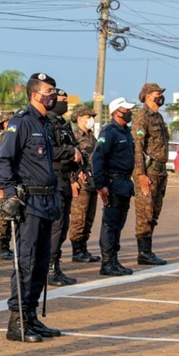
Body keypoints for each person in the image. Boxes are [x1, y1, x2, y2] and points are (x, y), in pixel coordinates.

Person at [0, 72, 63, 342]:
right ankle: (17, 320)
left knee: (41, 261)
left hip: (47, 200)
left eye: (54, 90)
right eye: (48, 90)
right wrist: (10, 194)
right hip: (29, 202)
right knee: (27, 260)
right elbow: (3, 161)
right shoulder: (21, 122)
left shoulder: (46, 123)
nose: (53, 95)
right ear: (35, 94)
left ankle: (31, 315)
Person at [92, 97, 137, 276]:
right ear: (116, 111)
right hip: (113, 183)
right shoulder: (109, 131)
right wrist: (100, 185)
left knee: (118, 224)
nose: (129, 112)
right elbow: (97, 158)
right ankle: (107, 262)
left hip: (125, 183)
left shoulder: (126, 132)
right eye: (126, 109)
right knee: (110, 224)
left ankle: (114, 260)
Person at [46, 89, 83, 286]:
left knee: (62, 227)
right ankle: (49, 268)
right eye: (61, 100)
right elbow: (47, 150)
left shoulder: (64, 124)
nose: (64, 103)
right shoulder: (48, 123)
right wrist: (70, 151)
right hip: (53, 179)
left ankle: (56, 265)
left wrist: (79, 169)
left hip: (66, 179)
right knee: (56, 225)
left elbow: (77, 148)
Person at [132, 82, 170, 266]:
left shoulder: (158, 117)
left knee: (154, 212)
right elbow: (137, 147)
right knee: (145, 212)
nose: (160, 96)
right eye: (157, 93)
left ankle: (148, 251)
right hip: (148, 171)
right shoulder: (142, 116)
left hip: (160, 171)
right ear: (148, 96)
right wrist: (140, 174)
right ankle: (143, 253)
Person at [68, 105, 100, 263]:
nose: (91, 120)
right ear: (79, 118)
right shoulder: (74, 136)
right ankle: (76, 250)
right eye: (88, 117)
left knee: (89, 217)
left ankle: (84, 248)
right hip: (80, 183)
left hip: (92, 182)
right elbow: (69, 160)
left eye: (92, 117)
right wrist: (72, 180)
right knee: (79, 218)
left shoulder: (91, 137)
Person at [0, 115, 14, 261]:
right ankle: (2, 247)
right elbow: (0, 163)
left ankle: (7, 246)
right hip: (2, 181)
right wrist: (0, 183)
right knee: (3, 213)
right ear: (5, 123)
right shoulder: (2, 139)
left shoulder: (14, 136)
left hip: (12, 180)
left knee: (12, 212)